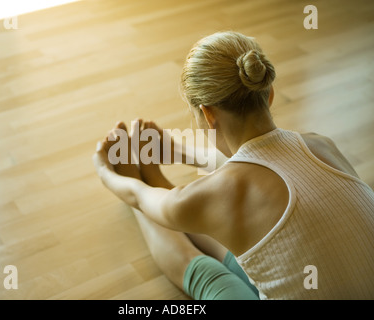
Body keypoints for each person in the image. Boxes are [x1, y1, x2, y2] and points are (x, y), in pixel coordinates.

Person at [93, 31, 374, 299]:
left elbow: (142, 197)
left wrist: (108, 173)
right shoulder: (321, 145)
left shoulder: (225, 193)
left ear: (207, 113)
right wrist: (178, 150)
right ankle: (153, 174)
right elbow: (258, 165)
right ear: (270, 93)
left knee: (209, 276)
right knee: (242, 239)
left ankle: (148, 176)